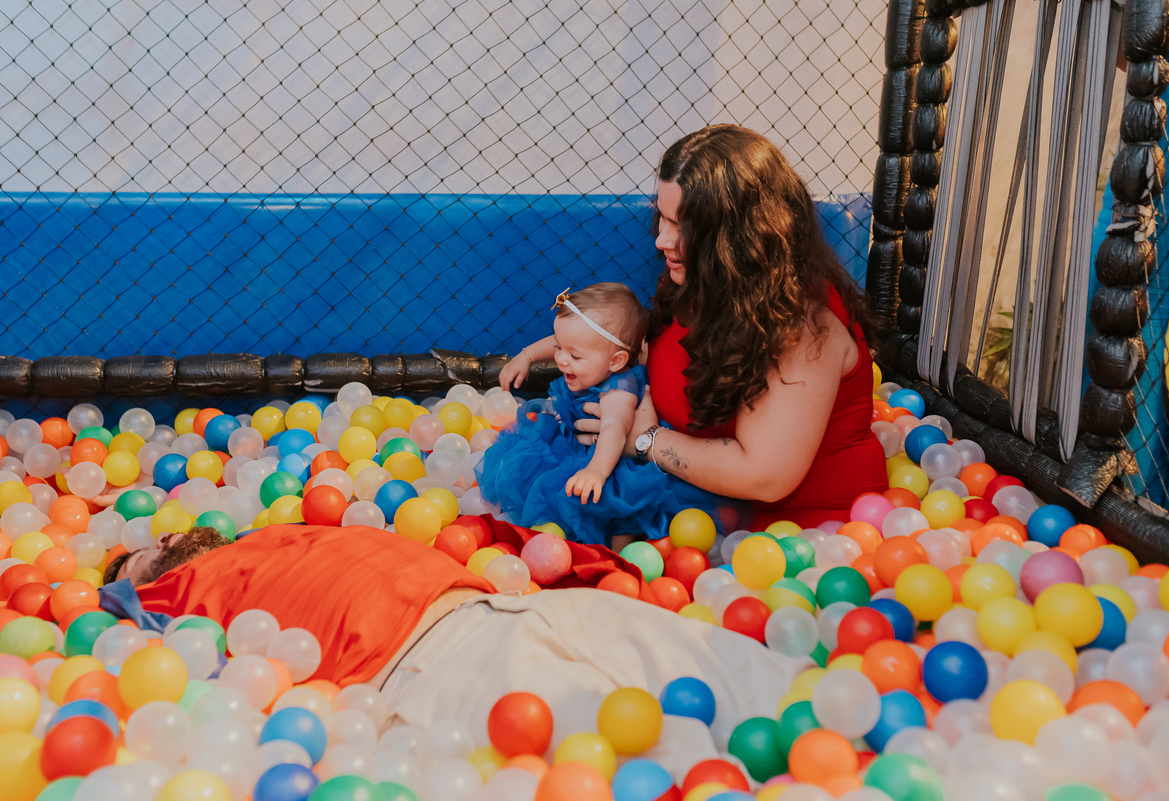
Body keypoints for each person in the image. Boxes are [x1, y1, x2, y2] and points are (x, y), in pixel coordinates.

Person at [106, 523, 809, 780]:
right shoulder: (177, 599)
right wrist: (125, 585)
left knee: (765, 680)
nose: (156, 547)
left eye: (153, 542)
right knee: (653, 760)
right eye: (139, 557)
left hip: (512, 606)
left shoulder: (274, 532)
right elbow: (120, 614)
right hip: (434, 667)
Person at [504, 125, 887, 529]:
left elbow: (765, 477)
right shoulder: (696, 278)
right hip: (698, 510)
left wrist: (644, 440)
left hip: (799, 535)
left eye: (682, 226)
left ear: (736, 237)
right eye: (663, 219)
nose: (661, 241)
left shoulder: (802, 324)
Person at [481, 282, 735, 548]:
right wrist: (527, 355)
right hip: (576, 444)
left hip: (609, 460)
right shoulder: (591, 358)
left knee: (617, 508)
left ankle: (618, 556)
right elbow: (566, 340)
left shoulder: (619, 390)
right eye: (559, 348)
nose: (562, 360)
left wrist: (596, 471)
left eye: (575, 356)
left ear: (616, 361)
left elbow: (614, 429)